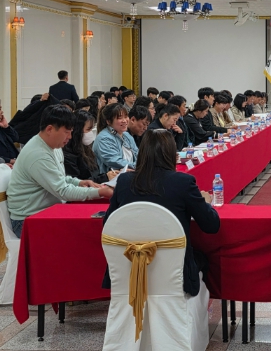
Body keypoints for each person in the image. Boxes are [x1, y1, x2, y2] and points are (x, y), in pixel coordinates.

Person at [102, 129, 220, 297]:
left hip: (131, 265)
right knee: (203, 258)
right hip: (174, 270)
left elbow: (108, 224)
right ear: (171, 154)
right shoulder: (183, 182)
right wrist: (205, 203)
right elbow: (211, 225)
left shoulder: (124, 181)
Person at [7, 105, 113, 237]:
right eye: (67, 132)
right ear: (50, 129)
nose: (70, 137)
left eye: (71, 132)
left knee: (92, 224)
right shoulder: (38, 154)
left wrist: (79, 182)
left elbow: (60, 177)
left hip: (45, 210)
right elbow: (63, 191)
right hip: (27, 220)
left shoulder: (53, 146)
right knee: (84, 233)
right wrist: (100, 192)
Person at [63, 110, 120, 184]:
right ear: (77, 130)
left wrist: (109, 175)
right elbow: (77, 183)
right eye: (88, 129)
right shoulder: (68, 155)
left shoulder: (87, 148)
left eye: (92, 129)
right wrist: (105, 177)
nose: (91, 133)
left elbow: (95, 173)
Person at [93, 104, 138, 173]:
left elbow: (138, 154)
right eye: (120, 118)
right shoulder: (103, 139)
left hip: (132, 173)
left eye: (126, 116)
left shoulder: (127, 135)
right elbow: (115, 162)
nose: (124, 120)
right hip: (113, 177)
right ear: (108, 121)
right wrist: (138, 166)